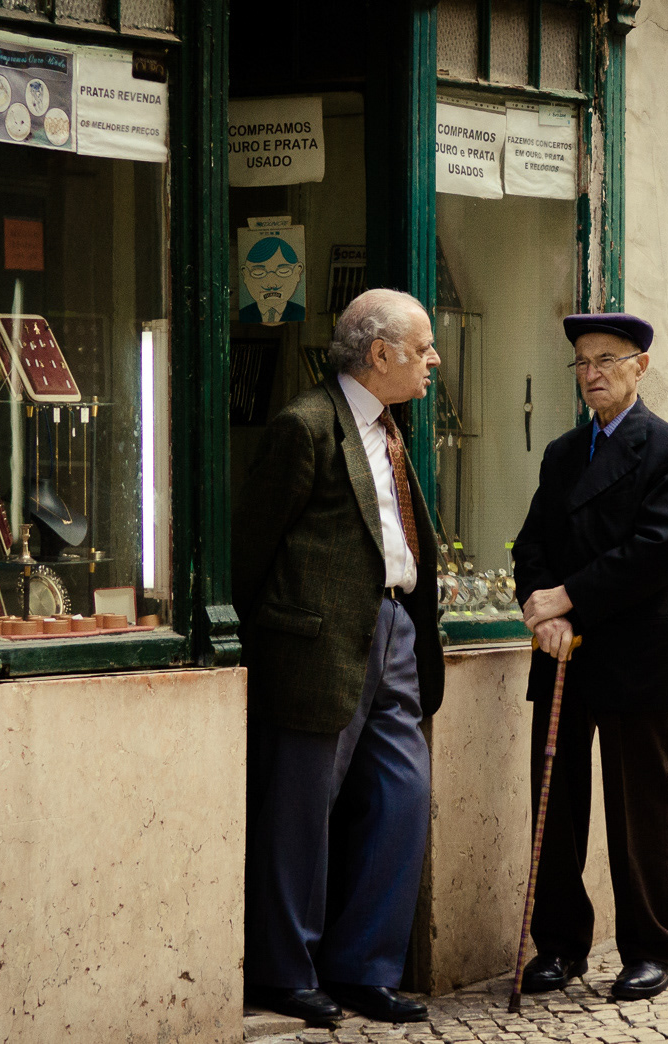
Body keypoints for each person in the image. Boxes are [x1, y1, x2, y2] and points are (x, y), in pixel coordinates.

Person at [233, 288, 445, 1026]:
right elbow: (252, 547)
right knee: (299, 813)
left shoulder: (390, 428)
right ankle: (283, 972)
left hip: (396, 633)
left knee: (403, 798)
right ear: (380, 354)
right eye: (422, 348)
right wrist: (274, 638)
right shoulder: (306, 425)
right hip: (318, 646)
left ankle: (363, 969)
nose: (433, 360)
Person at [511, 311, 668, 1002]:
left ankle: (651, 947)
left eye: (606, 361)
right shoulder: (562, 453)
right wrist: (543, 613)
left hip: (636, 655)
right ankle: (559, 946)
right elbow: (531, 543)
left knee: (639, 810)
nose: (591, 374)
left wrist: (569, 599)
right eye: (582, 362)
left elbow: (653, 553)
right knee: (556, 804)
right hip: (562, 651)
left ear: (639, 367)